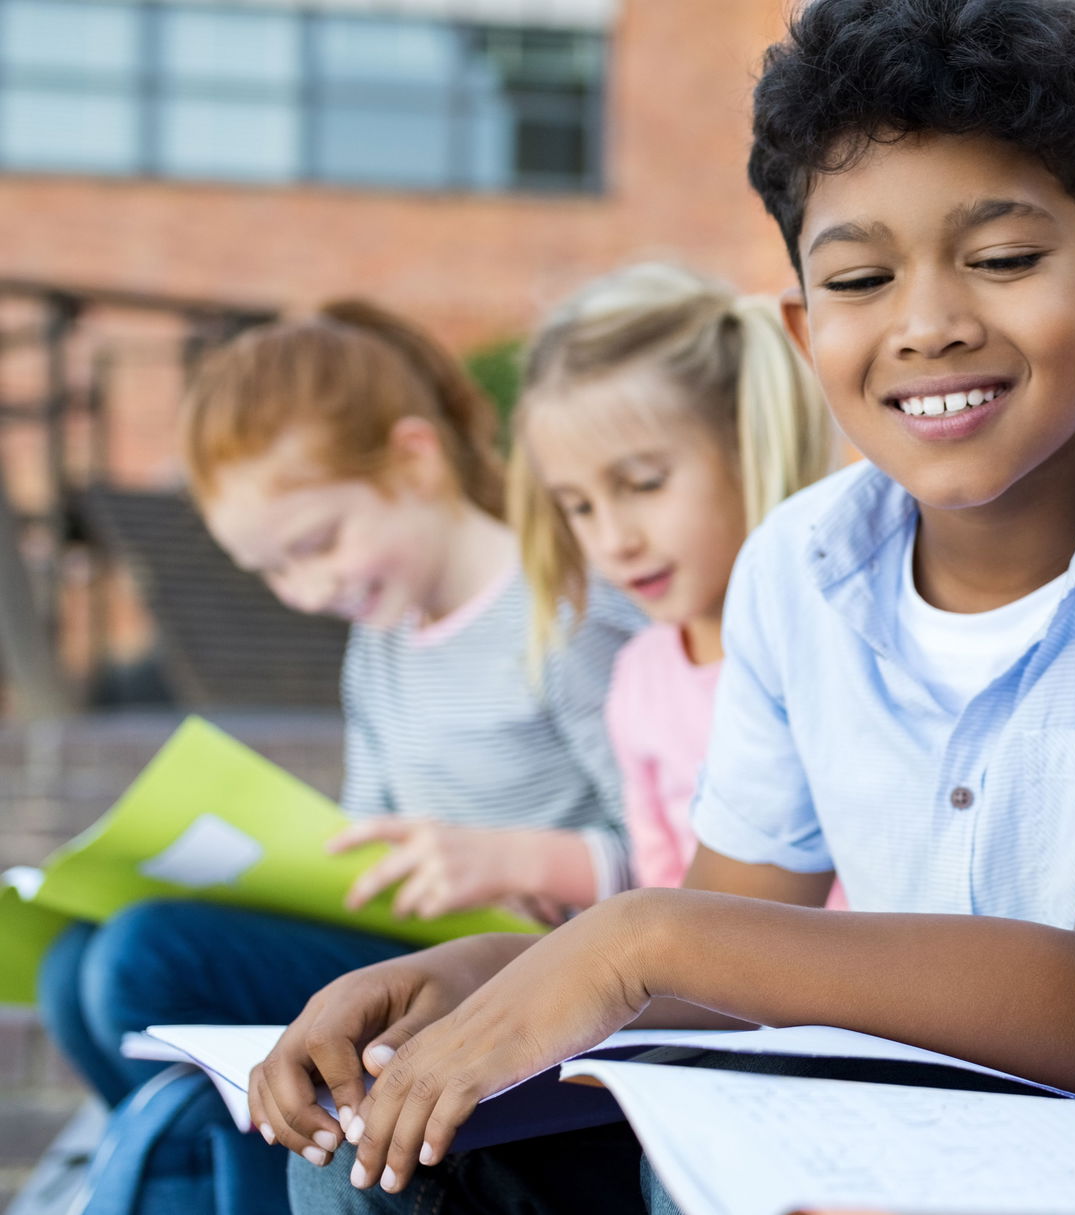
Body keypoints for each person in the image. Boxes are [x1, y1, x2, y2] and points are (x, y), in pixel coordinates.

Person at [270, 1, 1075, 1208]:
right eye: (861, 278)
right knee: (382, 1149)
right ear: (809, 329)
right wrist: (493, 974)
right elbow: (729, 942)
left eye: (1005, 259)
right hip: (889, 1137)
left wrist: (635, 939)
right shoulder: (797, 566)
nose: (928, 325)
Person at [35, 300, 638, 1212]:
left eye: (318, 544)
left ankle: (208, 1181)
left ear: (415, 457)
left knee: (142, 958)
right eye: (275, 570)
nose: (309, 589)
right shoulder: (383, 643)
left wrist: (513, 858)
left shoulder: (560, 611)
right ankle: (190, 1171)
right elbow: (363, 833)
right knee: (70, 963)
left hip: (521, 965)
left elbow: (680, 852)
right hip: (402, 947)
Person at [509, 262, 837, 889]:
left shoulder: (838, 648)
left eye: (643, 484)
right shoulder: (638, 678)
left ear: (749, 444)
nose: (613, 541)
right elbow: (661, 889)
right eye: (578, 506)